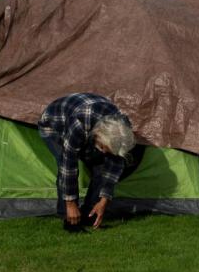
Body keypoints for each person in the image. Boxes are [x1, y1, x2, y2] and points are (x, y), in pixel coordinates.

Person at [38, 92, 136, 231]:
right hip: (53, 125)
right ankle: (66, 215)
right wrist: (71, 204)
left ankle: (89, 215)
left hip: (92, 121)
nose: (103, 152)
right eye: (103, 147)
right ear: (99, 134)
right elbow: (69, 165)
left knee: (101, 167)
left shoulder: (122, 129)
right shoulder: (80, 122)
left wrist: (103, 201)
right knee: (63, 163)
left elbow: (113, 167)